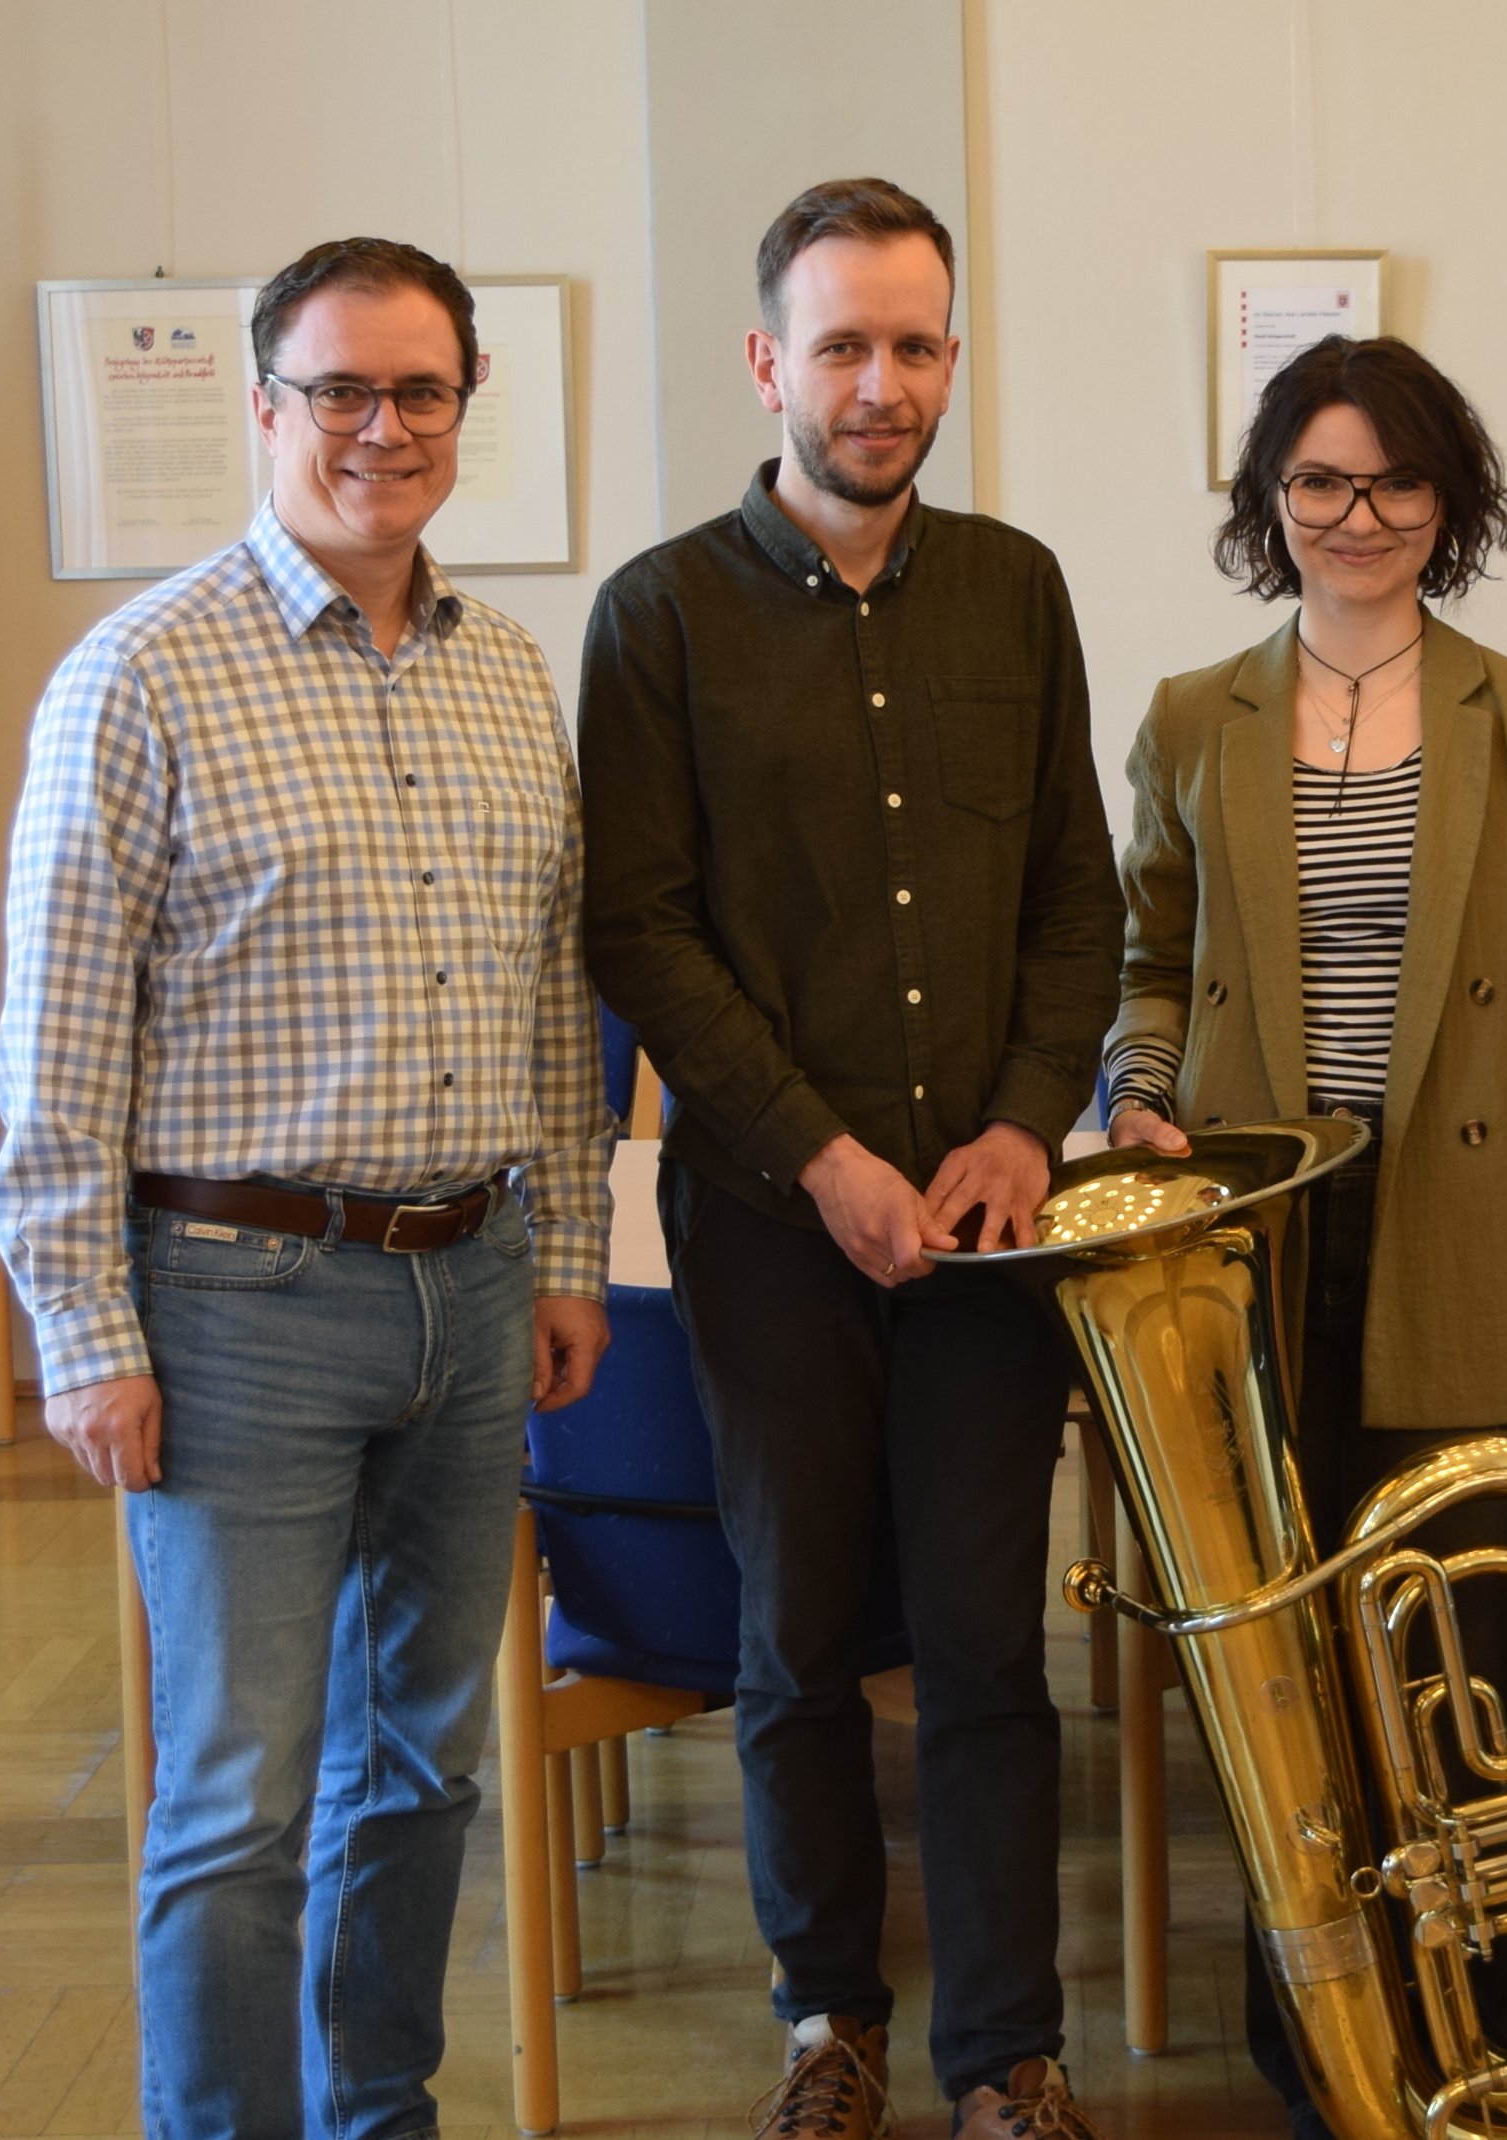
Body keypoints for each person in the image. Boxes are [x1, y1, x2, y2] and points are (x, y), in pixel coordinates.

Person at [0, 235, 616, 2140]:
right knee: (240, 1793)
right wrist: (87, 1337)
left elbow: (556, 996)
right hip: (235, 1305)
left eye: (419, 391)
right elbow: (57, 1056)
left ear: (463, 411)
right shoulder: (141, 679)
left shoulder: (513, 675)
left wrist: (569, 1256)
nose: (380, 429)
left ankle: (381, 2115)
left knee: (421, 1766)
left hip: (478, 1277)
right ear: (264, 409)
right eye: (338, 391)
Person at [578, 177, 1119, 2140]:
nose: (878, 383)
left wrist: (1017, 1122)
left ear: (949, 364)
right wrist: (817, 1153)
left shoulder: (1019, 587)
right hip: (767, 1224)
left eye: (912, 346)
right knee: (795, 1635)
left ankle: (1006, 2048)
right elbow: (641, 930)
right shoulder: (658, 615)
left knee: (989, 1644)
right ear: (765, 362)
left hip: (989, 1234)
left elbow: (1080, 900)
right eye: (840, 345)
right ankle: (828, 2021)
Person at [1097, 334, 1507, 2140]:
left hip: (1470, 1235)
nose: (1358, 517)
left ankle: (1486, 2047)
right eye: (1319, 482)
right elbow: (1148, 968)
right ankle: (1322, 2068)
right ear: (1269, 501)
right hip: (1257, 1254)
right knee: (1292, 1690)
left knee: (1470, 1668)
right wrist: (1139, 1093)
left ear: (1448, 502)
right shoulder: (1190, 715)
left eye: (1397, 482)